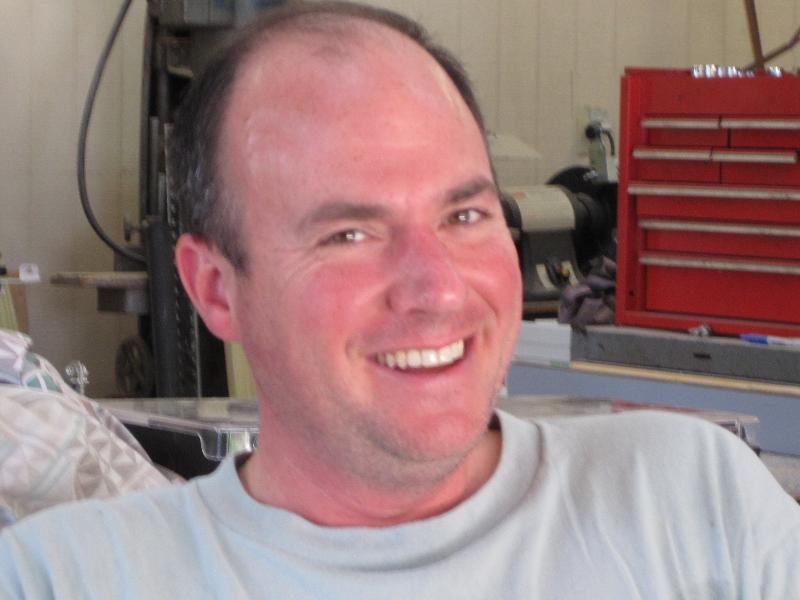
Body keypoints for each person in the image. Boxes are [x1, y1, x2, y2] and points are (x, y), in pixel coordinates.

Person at [1, 1, 799, 597]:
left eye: (465, 215)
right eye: (349, 234)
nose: (439, 287)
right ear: (215, 288)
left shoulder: (694, 503)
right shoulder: (65, 577)